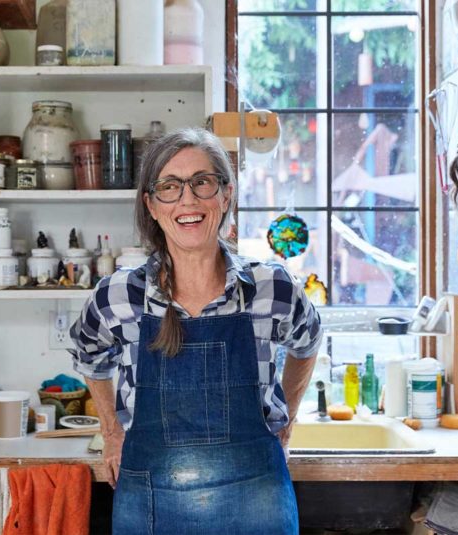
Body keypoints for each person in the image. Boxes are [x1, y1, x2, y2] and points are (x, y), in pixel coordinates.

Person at [70, 128, 322, 534]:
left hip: (257, 496)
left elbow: (307, 343)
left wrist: (287, 422)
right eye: (169, 187)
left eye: (201, 183)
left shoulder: (271, 287)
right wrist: (112, 432)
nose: (187, 199)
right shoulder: (121, 294)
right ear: (151, 205)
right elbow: (88, 354)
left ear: (225, 195)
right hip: (150, 501)